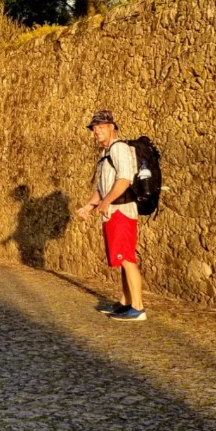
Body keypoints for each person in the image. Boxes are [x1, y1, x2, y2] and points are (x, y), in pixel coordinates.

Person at [75, 110, 146, 321]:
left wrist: (106, 202)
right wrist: (89, 206)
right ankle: (126, 302)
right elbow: (102, 187)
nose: (96, 131)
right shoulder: (106, 153)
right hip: (112, 212)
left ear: (112, 127)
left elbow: (124, 179)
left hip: (122, 210)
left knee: (126, 257)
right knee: (120, 257)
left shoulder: (120, 149)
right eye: (94, 127)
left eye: (101, 127)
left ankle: (139, 307)